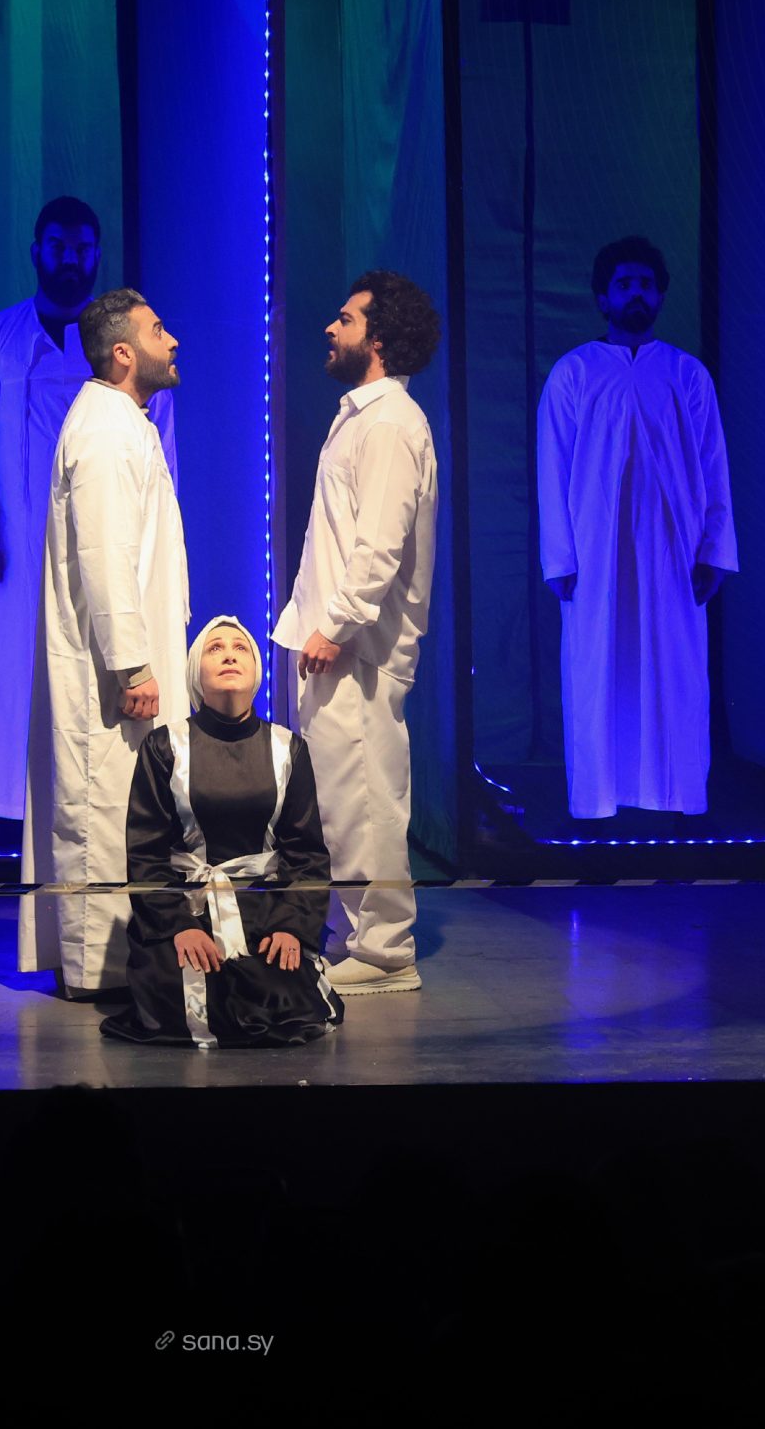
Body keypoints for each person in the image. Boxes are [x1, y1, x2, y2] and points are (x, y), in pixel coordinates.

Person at [0, 198, 178, 820]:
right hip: (17, 544)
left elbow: (162, 447)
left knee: (98, 663)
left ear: (97, 255)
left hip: (107, 533)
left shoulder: (124, 348)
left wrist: (160, 535)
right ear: (37, 251)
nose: (70, 259)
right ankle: (17, 807)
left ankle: (106, 807)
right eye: (58, 246)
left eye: (81, 248)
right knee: (16, 668)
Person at [273, 270, 440, 996]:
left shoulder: (391, 422)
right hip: (334, 642)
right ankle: (354, 936)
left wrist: (338, 624)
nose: (329, 327)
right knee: (340, 801)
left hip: (359, 648)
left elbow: (380, 544)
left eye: (345, 319)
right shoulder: (361, 417)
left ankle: (384, 949)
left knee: (366, 795)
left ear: (377, 338)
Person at [22, 289, 189, 998]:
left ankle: (115, 960)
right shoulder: (105, 430)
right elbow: (104, 555)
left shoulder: (125, 423)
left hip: (128, 663)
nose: (172, 340)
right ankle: (98, 968)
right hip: (112, 674)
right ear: (123, 352)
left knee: (126, 806)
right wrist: (132, 665)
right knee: (104, 807)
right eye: (158, 330)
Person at [536, 236, 736, 820]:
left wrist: (714, 551)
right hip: (595, 555)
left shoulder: (687, 375)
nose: (636, 294)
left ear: (661, 295)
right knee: (599, 667)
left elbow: (713, 465)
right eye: (624, 285)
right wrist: (560, 558)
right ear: (603, 297)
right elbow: (553, 467)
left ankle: (674, 795)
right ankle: (601, 798)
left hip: (674, 553)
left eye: (646, 285)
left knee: (674, 668)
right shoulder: (574, 373)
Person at [102, 617, 343, 1048]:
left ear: (257, 672)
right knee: (178, 996)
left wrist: (292, 926)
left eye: (240, 648)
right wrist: (179, 926)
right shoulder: (164, 746)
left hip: (265, 912)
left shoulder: (288, 748)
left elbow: (306, 852)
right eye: (215, 648)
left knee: (281, 996)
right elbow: (146, 853)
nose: (229, 655)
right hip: (186, 908)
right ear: (196, 672)